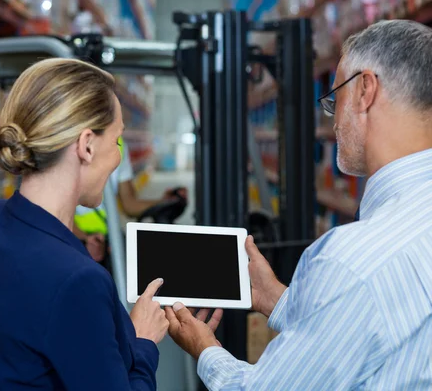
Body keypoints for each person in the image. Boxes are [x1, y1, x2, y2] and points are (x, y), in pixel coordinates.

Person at [165, 19, 432, 390]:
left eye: (334, 98)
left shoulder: (353, 261)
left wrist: (205, 348)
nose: (334, 121)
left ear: (365, 90)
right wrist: (277, 299)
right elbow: (373, 325)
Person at [0, 58, 169, 390]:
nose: (118, 156)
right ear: (86, 145)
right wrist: (142, 343)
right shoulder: (78, 281)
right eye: (117, 141)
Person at [73, 138, 187, 263]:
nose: (122, 128)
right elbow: (54, 207)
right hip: (74, 238)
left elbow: (129, 204)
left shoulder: (120, 145)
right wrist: (84, 239)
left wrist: (164, 201)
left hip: (108, 236)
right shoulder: (73, 143)